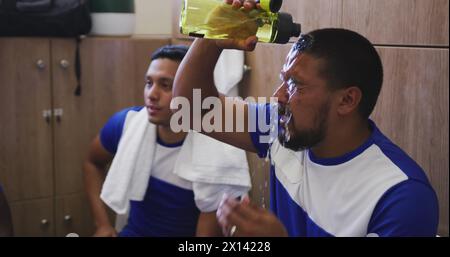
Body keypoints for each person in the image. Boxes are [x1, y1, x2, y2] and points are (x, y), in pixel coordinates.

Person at [172, 0, 439, 237]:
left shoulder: (400, 196)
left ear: (347, 100)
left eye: (295, 86)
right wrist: (214, 33)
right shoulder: (280, 126)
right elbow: (192, 109)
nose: (278, 97)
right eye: (283, 81)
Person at [83, 45, 250, 237]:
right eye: (148, 83)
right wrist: (102, 224)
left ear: (189, 92)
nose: (152, 95)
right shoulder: (127, 125)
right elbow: (91, 162)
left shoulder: (217, 157)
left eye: (165, 85)